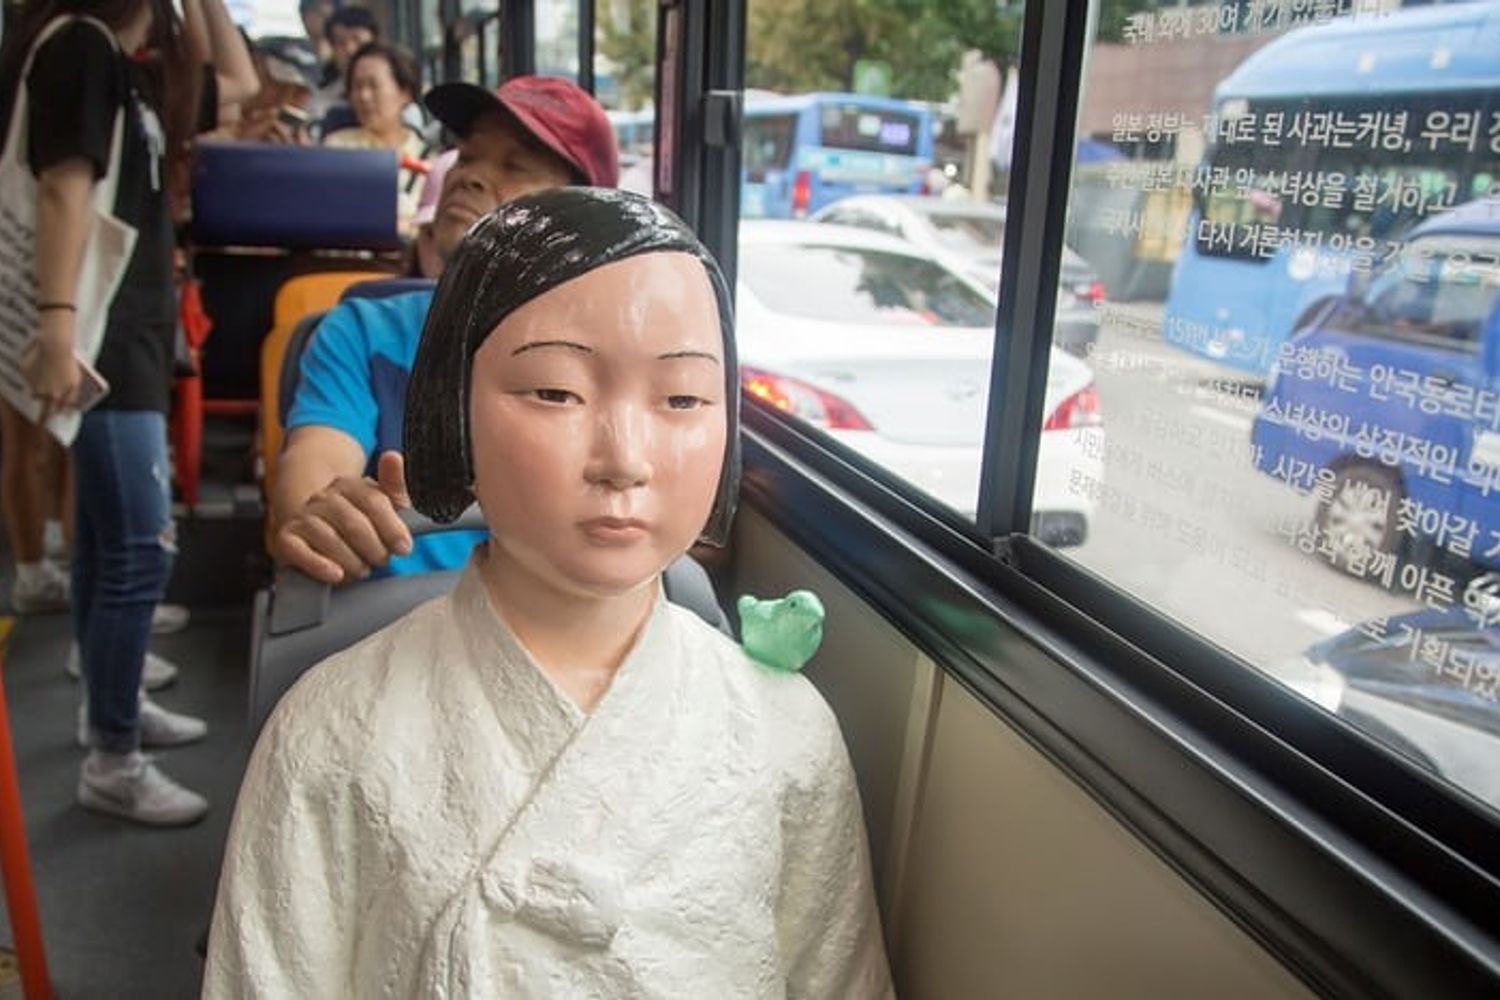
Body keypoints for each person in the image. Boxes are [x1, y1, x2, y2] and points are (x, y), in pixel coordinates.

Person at [204, 187, 893, 997]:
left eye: (681, 399)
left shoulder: (789, 735)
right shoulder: (331, 733)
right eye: (557, 393)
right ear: (450, 412)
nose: (624, 457)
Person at [0, 0, 253, 827]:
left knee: (108, 543)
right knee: (142, 548)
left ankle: (109, 709)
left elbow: (243, 86)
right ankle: (112, 756)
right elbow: (64, 185)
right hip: (99, 331)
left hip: (128, 327)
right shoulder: (78, 46)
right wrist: (59, 324)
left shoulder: (131, 69)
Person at [272, 74, 619, 583]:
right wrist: (327, 516)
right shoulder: (364, 331)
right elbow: (312, 472)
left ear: (584, 218)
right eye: (468, 157)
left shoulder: (623, 354)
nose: (470, 177)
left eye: (514, 165)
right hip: (390, 625)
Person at [320, 41, 425, 229]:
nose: (363, 96)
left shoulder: (426, 157)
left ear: (405, 93)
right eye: (357, 86)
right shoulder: (336, 148)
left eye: (373, 85)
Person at [304, 3, 375, 127]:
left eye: (357, 40)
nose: (349, 49)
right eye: (340, 43)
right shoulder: (320, 103)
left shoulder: (398, 98)